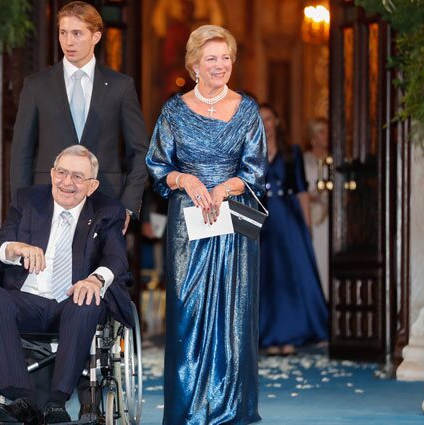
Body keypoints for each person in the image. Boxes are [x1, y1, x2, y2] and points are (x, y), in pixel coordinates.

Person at [146, 25, 266, 425]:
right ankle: (187, 412)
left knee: (235, 318)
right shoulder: (174, 111)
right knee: (189, 316)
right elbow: (158, 166)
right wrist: (189, 180)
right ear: (194, 64)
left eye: (226, 57)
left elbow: (255, 170)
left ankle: (232, 410)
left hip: (233, 228)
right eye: (211, 58)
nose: (220, 65)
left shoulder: (248, 109)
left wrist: (225, 188)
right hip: (188, 227)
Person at [0, 145, 133, 425]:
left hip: (72, 302)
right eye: (61, 172)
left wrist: (94, 279)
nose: (66, 182)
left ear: (92, 185)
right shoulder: (28, 201)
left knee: (88, 301)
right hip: (28, 300)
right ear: (51, 173)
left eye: (77, 176)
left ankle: (56, 401)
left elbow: (117, 258)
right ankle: (21, 398)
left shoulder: (107, 210)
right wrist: (14, 248)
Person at [10, 1, 149, 232]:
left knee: (100, 269)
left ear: (96, 37)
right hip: (46, 202)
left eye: (77, 33)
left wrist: (127, 206)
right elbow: (21, 153)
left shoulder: (120, 86)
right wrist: (20, 208)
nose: (68, 41)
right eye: (63, 33)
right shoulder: (36, 86)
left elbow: (140, 151)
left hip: (105, 200)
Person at [257, 104, 328, 356]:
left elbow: (301, 192)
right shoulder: (251, 151)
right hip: (262, 220)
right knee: (268, 279)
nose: (265, 123)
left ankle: (290, 336)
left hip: (288, 219)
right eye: (260, 119)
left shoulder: (292, 152)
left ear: (276, 120)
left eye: (268, 118)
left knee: (290, 277)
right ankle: (268, 337)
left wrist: (306, 226)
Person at [303, 117, 330, 295]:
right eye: (321, 131)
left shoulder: (334, 159)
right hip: (311, 216)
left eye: (327, 131)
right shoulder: (305, 160)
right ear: (313, 135)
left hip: (330, 218)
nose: (326, 136)